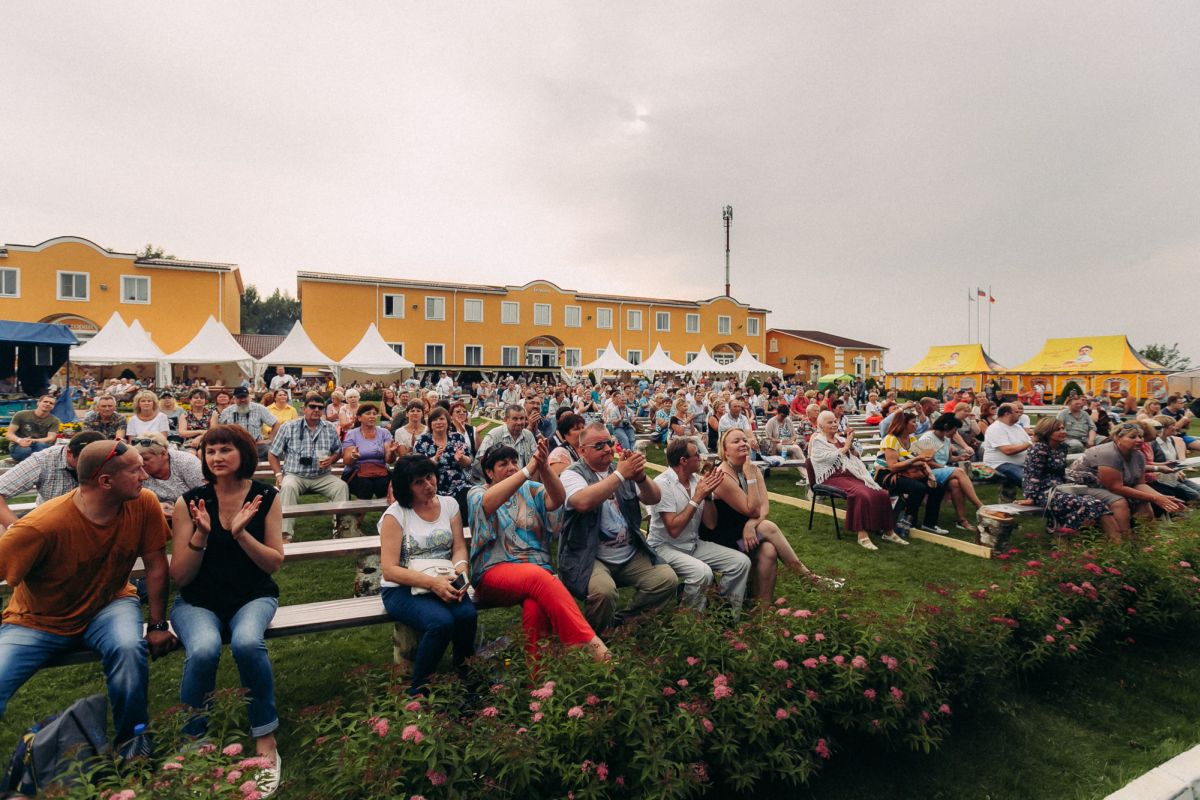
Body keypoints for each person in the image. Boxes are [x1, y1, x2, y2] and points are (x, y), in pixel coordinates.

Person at [0, 440, 175, 746]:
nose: (145, 476)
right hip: (37, 620)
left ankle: (133, 747)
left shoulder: (144, 503)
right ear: (105, 481)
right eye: (135, 470)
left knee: (128, 649)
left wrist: (158, 624)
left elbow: (156, 566)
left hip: (110, 603)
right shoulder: (41, 525)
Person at [169, 425, 284, 794]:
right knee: (202, 649)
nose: (216, 457)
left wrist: (240, 534)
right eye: (210, 451)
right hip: (197, 600)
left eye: (225, 450)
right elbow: (181, 577)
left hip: (252, 595)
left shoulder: (267, 497)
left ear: (244, 454)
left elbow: (273, 563)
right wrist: (201, 535)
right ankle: (193, 741)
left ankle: (265, 736)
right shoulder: (190, 502)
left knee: (248, 642)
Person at [469, 442, 609, 660]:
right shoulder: (477, 493)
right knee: (540, 578)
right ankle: (589, 645)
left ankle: (539, 678)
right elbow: (487, 504)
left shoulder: (529, 489)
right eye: (503, 464)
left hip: (536, 573)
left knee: (535, 607)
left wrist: (543, 467)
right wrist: (527, 470)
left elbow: (557, 499)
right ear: (488, 472)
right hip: (494, 572)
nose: (512, 467)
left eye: (515, 462)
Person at [558, 423, 676, 633]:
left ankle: (623, 624)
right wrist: (621, 475)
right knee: (603, 592)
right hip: (589, 555)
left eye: (610, 443)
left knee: (666, 580)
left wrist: (640, 477)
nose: (607, 449)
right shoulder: (571, 474)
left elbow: (654, 497)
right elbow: (582, 502)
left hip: (629, 553)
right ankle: (596, 640)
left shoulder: (620, 469)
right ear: (582, 450)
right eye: (599, 445)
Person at [378, 455, 476, 696]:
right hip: (402, 586)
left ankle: (466, 676)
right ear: (406, 487)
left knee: (467, 615)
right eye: (419, 482)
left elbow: (459, 547)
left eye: (430, 477)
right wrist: (433, 584)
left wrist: (461, 571)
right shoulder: (396, 515)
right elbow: (389, 569)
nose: (429, 485)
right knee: (440, 623)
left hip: (443, 579)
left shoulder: (450, 504)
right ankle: (419, 689)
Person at [704, 429, 832, 600]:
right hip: (724, 540)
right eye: (736, 441)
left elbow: (764, 507)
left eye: (744, 440)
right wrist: (750, 478)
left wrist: (751, 525)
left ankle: (762, 609)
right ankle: (806, 576)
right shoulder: (723, 475)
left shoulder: (752, 469)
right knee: (768, 527)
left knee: (769, 550)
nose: (743, 443)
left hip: (744, 534)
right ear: (725, 451)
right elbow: (752, 510)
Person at [649, 438, 751, 611]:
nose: (701, 458)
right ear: (683, 460)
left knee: (741, 562)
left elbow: (710, 524)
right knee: (702, 572)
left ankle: (725, 614)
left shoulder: (697, 480)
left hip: (692, 544)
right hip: (665, 547)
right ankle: (689, 623)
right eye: (697, 454)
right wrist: (697, 497)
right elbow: (673, 530)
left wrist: (708, 496)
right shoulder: (662, 484)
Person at [1067, 421, 1185, 539]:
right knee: (1118, 501)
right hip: (1082, 486)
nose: (1139, 440)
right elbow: (1115, 487)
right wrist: (1155, 498)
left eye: (1140, 436)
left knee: (1143, 500)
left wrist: (1163, 498)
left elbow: (1140, 484)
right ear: (1117, 438)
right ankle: (1124, 539)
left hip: (1107, 485)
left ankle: (1147, 536)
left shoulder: (1138, 455)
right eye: (1133, 437)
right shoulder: (1109, 453)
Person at [809, 411, 904, 550]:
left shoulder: (840, 440)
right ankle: (862, 535)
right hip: (831, 478)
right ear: (821, 425)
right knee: (861, 494)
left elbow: (855, 456)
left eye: (835, 421)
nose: (834, 424)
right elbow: (825, 459)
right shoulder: (818, 440)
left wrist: (851, 445)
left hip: (850, 475)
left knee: (881, 493)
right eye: (830, 422)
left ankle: (888, 531)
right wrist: (846, 446)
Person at [268, 392, 348, 541]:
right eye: (312, 407)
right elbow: (273, 454)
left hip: (322, 476)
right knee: (288, 487)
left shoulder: (330, 428)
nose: (316, 410)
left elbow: (339, 451)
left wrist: (331, 459)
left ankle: (341, 529)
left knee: (341, 487)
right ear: (303, 409)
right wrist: (279, 475)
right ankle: (285, 534)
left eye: (320, 407)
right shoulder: (289, 427)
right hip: (295, 475)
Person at [1020, 417, 1118, 537]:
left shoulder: (1062, 448)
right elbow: (1032, 475)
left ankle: (1116, 542)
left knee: (1098, 503)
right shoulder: (1039, 449)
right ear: (1047, 432)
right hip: (1042, 492)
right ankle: (1063, 537)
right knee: (1087, 505)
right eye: (1057, 429)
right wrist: (1031, 497)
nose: (1063, 431)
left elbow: (1061, 473)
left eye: (1063, 428)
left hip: (1060, 488)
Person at [0, 430, 106, 528]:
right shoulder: (43, 460)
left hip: (94, 520)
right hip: (49, 520)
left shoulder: (113, 460)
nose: (91, 468)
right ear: (69, 453)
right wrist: (14, 530)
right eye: (84, 462)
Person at [873, 412, 948, 534]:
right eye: (913, 421)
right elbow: (892, 467)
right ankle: (907, 521)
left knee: (938, 487)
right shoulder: (890, 439)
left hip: (905, 472)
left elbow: (921, 461)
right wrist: (917, 459)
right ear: (903, 424)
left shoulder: (911, 439)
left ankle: (929, 524)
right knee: (918, 488)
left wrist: (930, 474)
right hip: (886, 475)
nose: (916, 424)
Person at [916, 414, 984, 532]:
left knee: (955, 483)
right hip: (927, 471)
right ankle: (979, 505)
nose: (955, 433)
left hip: (941, 469)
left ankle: (962, 520)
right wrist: (946, 468)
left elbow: (948, 459)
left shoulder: (946, 439)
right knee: (959, 472)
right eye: (954, 429)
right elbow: (928, 462)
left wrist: (959, 458)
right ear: (946, 426)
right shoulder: (927, 439)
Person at [129, 433, 206, 521]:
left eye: (146, 459)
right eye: (139, 459)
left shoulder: (187, 463)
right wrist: (156, 506)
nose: (142, 464)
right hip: (156, 516)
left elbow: (205, 494)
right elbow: (131, 500)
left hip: (193, 517)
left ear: (164, 453)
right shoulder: (136, 467)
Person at [413, 407, 472, 521]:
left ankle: (464, 530)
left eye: (441, 419)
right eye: (435, 420)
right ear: (430, 424)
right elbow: (417, 467)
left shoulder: (457, 437)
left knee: (467, 497)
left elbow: (468, 463)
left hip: (458, 483)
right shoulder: (422, 440)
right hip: (432, 484)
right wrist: (434, 459)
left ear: (448, 422)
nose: (439, 422)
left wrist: (461, 458)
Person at [340, 403, 397, 500]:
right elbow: (347, 461)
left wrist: (391, 452)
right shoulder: (352, 434)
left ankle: (387, 513)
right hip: (356, 471)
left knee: (384, 484)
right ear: (359, 418)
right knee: (365, 485)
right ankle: (359, 514)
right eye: (368, 413)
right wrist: (353, 456)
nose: (372, 416)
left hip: (381, 470)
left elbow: (389, 460)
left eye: (374, 414)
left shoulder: (384, 433)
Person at [982, 403, 1032, 499]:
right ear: (1007, 414)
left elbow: (1028, 442)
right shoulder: (995, 428)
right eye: (1016, 412)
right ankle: (1038, 501)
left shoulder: (1017, 427)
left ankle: (1039, 500)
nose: (1020, 413)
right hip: (1000, 464)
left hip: (1021, 463)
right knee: (1027, 479)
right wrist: (1031, 443)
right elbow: (1007, 450)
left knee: (1044, 475)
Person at [220, 386, 280, 460]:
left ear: (249, 397)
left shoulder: (259, 408)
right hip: (234, 446)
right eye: (240, 397)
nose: (243, 400)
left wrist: (270, 439)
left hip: (256, 445)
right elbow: (220, 429)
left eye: (245, 397)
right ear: (234, 399)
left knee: (272, 452)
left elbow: (276, 423)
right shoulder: (227, 411)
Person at [6, 395, 61, 462]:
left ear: (53, 407)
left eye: (51, 403)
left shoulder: (54, 420)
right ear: (38, 403)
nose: (48, 404)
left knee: (42, 446)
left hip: (39, 444)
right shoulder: (21, 414)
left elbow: (51, 438)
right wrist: (19, 440)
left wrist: (32, 440)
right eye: (45, 401)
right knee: (25, 451)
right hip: (18, 445)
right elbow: (9, 434)